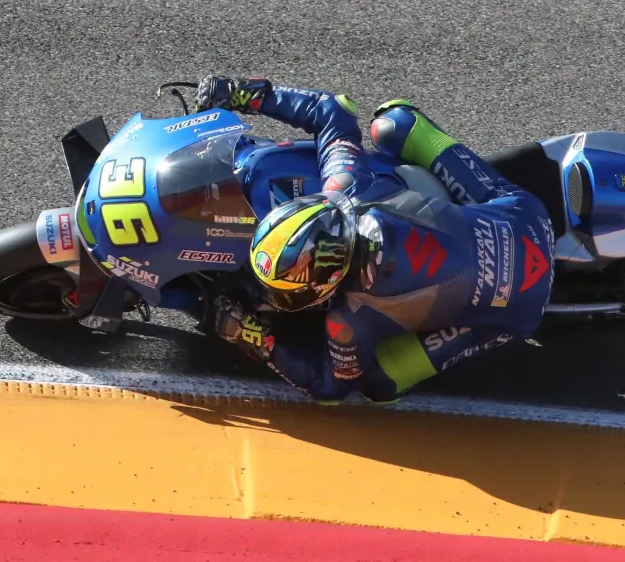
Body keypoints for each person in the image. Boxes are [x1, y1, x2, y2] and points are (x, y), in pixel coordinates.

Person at [194, 75, 556, 404]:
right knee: (394, 122)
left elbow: (330, 388)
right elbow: (333, 109)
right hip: (525, 217)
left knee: (379, 384)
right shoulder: (347, 185)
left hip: (520, 312)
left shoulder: (352, 320)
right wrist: (244, 93)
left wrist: (254, 336)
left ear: (327, 284)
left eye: (292, 292)